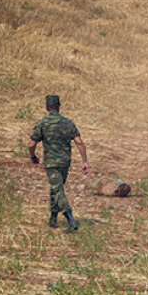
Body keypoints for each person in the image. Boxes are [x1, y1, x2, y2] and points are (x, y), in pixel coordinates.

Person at [28, 94, 88, 232]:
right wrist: (85, 161)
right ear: (59, 107)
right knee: (57, 188)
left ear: (46, 107)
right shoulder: (68, 123)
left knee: (58, 189)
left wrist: (33, 157)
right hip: (65, 162)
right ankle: (53, 218)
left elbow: (31, 144)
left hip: (51, 163)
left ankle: (71, 220)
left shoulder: (43, 123)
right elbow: (79, 142)